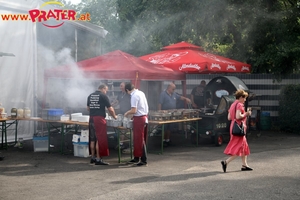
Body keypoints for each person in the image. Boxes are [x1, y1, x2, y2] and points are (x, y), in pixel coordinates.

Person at [221, 89, 252, 172]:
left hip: (233, 127)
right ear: (241, 97)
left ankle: (244, 165)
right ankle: (226, 162)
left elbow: (229, 118)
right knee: (239, 147)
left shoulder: (232, 105)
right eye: (244, 98)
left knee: (244, 146)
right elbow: (238, 116)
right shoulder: (239, 105)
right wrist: (246, 113)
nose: (245, 100)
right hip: (239, 128)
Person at [87, 84, 117, 165]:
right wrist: (115, 117)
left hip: (92, 119)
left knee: (92, 139)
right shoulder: (103, 96)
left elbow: (88, 108)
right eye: (106, 90)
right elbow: (110, 109)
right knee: (99, 139)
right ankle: (98, 158)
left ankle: (92, 157)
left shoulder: (90, 95)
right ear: (103, 89)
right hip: (99, 119)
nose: (106, 92)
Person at [158, 82, 192, 147]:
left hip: (172, 114)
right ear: (169, 88)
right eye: (173, 89)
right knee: (165, 128)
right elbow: (160, 103)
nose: (174, 90)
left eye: (174, 89)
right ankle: (163, 141)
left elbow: (180, 97)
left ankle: (167, 140)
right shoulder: (163, 94)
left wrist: (186, 99)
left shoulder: (174, 94)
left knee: (170, 128)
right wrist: (160, 112)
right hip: (165, 115)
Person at [124, 82, 149, 166]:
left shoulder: (134, 96)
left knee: (139, 139)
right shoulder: (141, 92)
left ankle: (143, 160)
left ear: (127, 90)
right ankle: (136, 157)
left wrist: (127, 113)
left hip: (139, 119)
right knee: (138, 139)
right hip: (143, 117)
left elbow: (134, 110)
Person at [114, 82, 131, 150]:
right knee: (122, 129)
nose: (120, 87)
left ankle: (126, 144)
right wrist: (111, 105)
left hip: (128, 114)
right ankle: (122, 143)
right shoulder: (120, 93)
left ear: (125, 87)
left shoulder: (129, 94)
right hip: (122, 113)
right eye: (120, 86)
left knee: (127, 129)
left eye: (121, 86)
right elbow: (117, 101)